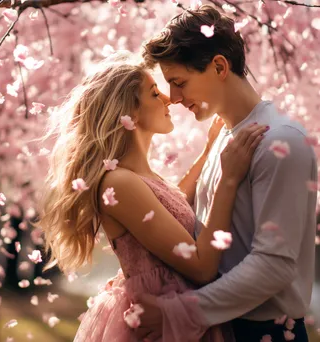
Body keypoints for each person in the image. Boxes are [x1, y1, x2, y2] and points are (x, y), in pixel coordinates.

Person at [34, 52, 268, 342]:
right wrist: (229, 178)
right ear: (128, 112)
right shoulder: (118, 183)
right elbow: (201, 266)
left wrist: (208, 153)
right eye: (155, 93)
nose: (169, 100)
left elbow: (173, 206)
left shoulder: (138, 179)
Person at [135, 4, 318, 342]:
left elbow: (275, 264)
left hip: (263, 333)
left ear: (219, 66)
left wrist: (180, 311)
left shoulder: (280, 141)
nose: (173, 98)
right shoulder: (224, 136)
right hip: (222, 327)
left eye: (179, 82)